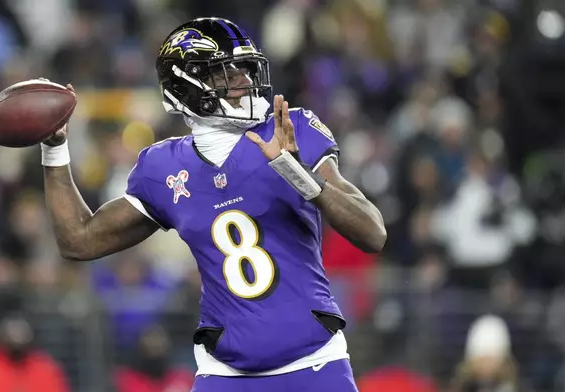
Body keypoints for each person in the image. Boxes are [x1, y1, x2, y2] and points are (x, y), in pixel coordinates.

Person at [39, 17, 386, 392]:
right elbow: (79, 239)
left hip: (315, 363)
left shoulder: (290, 129)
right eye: (226, 72)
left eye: (245, 68)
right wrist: (54, 148)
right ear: (186, 86)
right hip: (225, 375)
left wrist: (299, 175)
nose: (245, 80)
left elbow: (372, 232)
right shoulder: (164, 168)